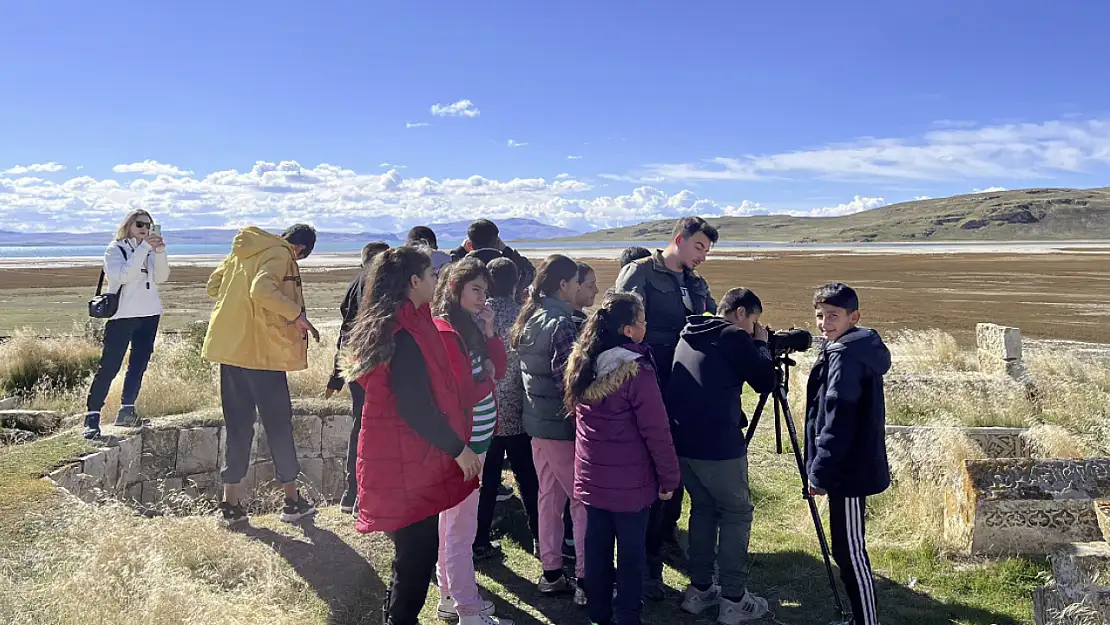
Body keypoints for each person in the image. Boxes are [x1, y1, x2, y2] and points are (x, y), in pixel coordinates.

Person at [344, 246, 482, 625]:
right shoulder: (404, 332)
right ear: (414, 281)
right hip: (405, 460)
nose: (437, 280)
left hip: (409, 457)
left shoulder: (413, 322)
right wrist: (459, 449)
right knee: (416, 558)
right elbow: (415, 406)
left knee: (412, 557)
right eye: (431, 274)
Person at [614, 216, 718, 597]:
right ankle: (644, 562)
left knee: (675, 463)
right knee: (648, 467)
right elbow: (616, 325)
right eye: (699, 247)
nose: (703, 256)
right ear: (679, 240)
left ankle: (667, 532)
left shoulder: (695, 281)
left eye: (707, 250)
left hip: (685, 386)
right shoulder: (639, 273)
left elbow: (709, 321)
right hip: (646, 383)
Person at [565, 292, 680, 625]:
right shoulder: (635, 372)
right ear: (629, 330)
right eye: (642, 321)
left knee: (597, 550)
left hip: (592, 480)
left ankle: (598, 614)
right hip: (631, 485)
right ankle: (628, 616)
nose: (646, 326)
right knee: (631, 557)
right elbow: (657, 431)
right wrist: (669, 478)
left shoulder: (583, 365)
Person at [666, 288, 776, 623]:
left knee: (703, 508)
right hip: (718, 445)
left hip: (683, 442)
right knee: (736, 513)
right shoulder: (732, 335)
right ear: (741, 312)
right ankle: (733, 599)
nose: (753, 327)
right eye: (753, 321)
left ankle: (699, 590)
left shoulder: (690, 331)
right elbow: (766, 381)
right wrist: (761, 344)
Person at [202, 224, 321, 526]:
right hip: (263, 354)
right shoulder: (281, 255)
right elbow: (262, 290)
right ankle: (292, 501)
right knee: (279, 425)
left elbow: (214, 287)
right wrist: (295, 314)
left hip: (232, 352)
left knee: (239, 425)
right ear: (301, 250)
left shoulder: (241, 252)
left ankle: (231, 505)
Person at [431, 258, 512, 625]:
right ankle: (467, 606)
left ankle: (451, 596)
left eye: (485, 291)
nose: (482, 298)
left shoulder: (469, 327)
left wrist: (491, 330)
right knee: (461, 529)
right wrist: (489, 383)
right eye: (475, 289)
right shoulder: (449, 332)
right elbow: (463, 391)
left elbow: (501, 366)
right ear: (454, 288)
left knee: (452, 523)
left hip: (475, 440)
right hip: (465, 443)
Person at [805, 283, 891, 625]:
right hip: (847, 464)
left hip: (848, 470)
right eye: (820, 316)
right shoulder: (853, 346)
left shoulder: (845, 354)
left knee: (850, 550)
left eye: (833, 316)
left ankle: (866, 621)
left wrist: (820, 472)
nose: (824, 323)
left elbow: (837, 419)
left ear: (853, 317)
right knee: (845, 546)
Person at [509, 254, 586, 602]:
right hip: (560, 426)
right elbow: (566, 383)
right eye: (576, 282)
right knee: (581, 501)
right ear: (563, 285)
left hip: (536, 423)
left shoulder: (531, 317)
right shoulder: (561, 323)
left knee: (549, 498)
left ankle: (551, 571)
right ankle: (586, 577)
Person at [82, 209, 170, 439]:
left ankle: (127, 409)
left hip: (150, 314)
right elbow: (123, 276)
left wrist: (159, 252)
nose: (145, 230)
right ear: (129, 225)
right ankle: (92, 416)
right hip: (122, 315)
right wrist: (143, 249)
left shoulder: (149, 251)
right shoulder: (115, 249)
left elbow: (161, 277)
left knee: (138, 364)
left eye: (149, 226)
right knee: (110, 366)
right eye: (140, 224)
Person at [474, 258, 540, 561]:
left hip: (485, 412)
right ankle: (541, 538)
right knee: (528, 479)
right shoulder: (523, 316)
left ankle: (479, 540)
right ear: (516, 284)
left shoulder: (476, 316)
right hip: (517, 413)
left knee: (486, 483)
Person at [325, 240, 390, 513]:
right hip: (375, 367)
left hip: (353, 366)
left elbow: (345, 331)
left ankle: (352, 493)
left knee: (360, 425)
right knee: (376, 429)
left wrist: (337, 375)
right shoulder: (382, 283)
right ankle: (367, 495)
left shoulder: (354, 285)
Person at [450, 219, 535, 302]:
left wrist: (460, 251)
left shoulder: (462, 267)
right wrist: (507, 250)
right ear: (497, 242)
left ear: (469, 245)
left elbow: (444, 272)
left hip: (468, 314)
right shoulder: (508, 267)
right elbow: (531, 272)